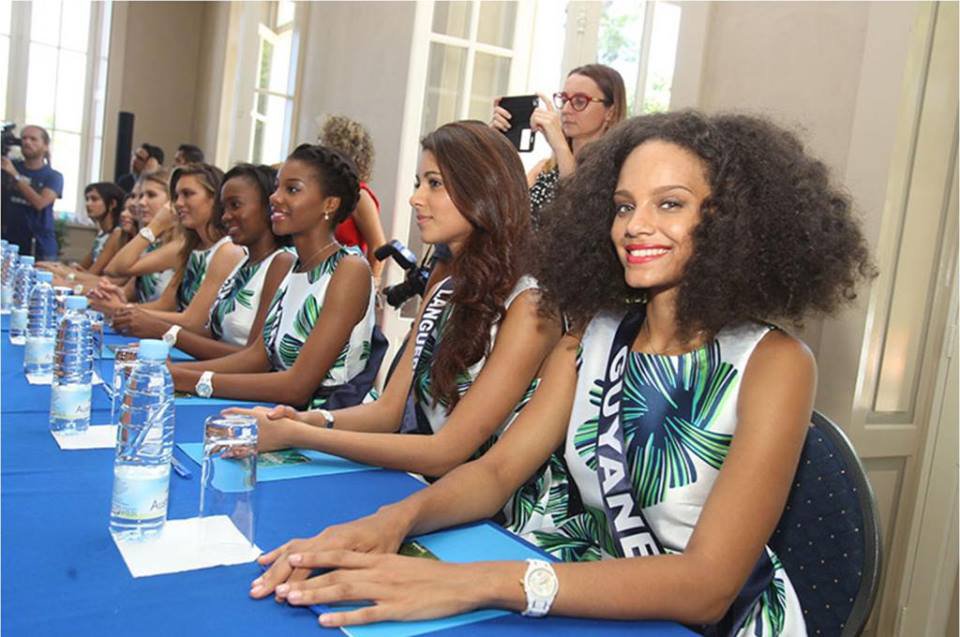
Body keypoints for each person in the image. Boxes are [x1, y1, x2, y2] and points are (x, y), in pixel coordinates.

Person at [248, 111, 876, 635]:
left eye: (670, 204)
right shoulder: (592, 336)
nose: (636, 226)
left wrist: (474, 583)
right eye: (623, 206)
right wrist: (394, 521)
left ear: (731, 220)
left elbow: (707, 586)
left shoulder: (776, 363)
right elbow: (497, 472)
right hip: (582, 592)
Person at [225, 123, 561, 520]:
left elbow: (446, 451)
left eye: (434, 184)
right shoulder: (446, 289)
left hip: (497, 517)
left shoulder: (530, 304)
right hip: (422, 487)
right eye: (420, 183)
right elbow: (388, 410)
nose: (416, 198)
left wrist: (300, 435)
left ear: (483, 191)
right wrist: (309, 418)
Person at [169, 145, 379, 409]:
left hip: (330, 419)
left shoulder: (349, 269)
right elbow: (256, 358)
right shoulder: (289, 264)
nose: (275, 198)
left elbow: (297, 388)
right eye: (277, 187)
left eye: (292, 189)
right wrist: (173, 371)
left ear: (330, 204)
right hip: (280, 413)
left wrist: (191, 379)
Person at [111, 164, 295, 361]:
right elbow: (210, 333)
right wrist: (157, 346)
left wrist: (162, 333)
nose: (225, 216)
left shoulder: (262, 257)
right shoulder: (243, 262)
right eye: (224, 208)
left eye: (235, 205)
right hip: (213, 367)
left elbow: (254, 358)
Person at [105, 163, 243, 329]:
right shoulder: (191, 246)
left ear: (215, 198)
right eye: (176, 196)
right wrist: (122, 309)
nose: (178, 203)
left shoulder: (227, 249)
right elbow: (167, 304)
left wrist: (121, 310)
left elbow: (192, 321)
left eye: (187, 194)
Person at [491, 64, 627, 219]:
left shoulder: (615, 172)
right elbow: (504, 212)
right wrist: (493, 143)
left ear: (610, 112)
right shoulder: (545, 168)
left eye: (580, 101)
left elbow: (578, 212)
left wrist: (559, 145)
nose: (566, 110)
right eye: (564, 99)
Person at [319, 115, 387, 284]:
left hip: (347, 279)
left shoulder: (360, 195)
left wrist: (371, 285)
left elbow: (378, 245)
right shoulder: (328, 191)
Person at [1, 125, 63, 259]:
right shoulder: (9, 166)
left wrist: (15, 176)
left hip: (40, 245)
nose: (27, 142)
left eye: (33, 139)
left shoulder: (53, 176)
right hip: (9, 242)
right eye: (24, 138)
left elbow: (40, 203)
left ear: (45, 146)